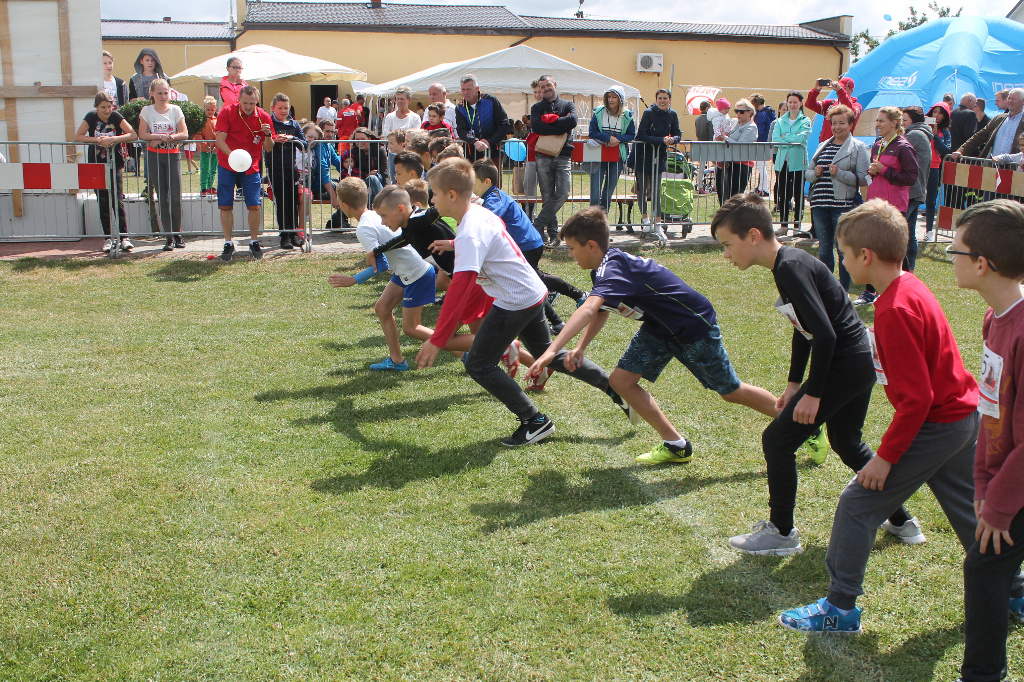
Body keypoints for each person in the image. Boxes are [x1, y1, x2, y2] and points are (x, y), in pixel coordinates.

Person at [777, 198, 981, 634]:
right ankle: (1016, 590)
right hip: (963, 418)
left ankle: (840, 608)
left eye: (845, 255)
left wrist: (886, 456)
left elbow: (919, 399)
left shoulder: (894, 309)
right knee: (966, 509)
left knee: (856, 505)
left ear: (865, 257)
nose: (844, 263)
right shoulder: (909, 287)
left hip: (940, 422)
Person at [711, 193, 917, 556]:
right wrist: (794, 384)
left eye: (728, 245)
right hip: (857, 362)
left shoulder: (790, 266)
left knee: (777, 440)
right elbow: (803, 326)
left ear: (753, 236)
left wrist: (814, 392)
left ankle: (781, 532)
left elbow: (825, 334)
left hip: (845, 363)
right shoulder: (786, 264)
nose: (725, 255)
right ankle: (901, 520)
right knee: (847, 442)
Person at [526, 207, 780, 463]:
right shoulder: (604, 269)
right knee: (621, 381)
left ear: (591, 245)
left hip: (692, 326)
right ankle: (676, 444)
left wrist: (551, 350)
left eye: (571, 248)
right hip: (659, 328)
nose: (570, 255)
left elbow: (590, 308)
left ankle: (796, 422)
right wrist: (580, 347)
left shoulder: (612, 268)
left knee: (730, 391)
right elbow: (602, 308)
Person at [415, 158, 636, 447]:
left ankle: (535, 421)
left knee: (480, 364)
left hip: (515, 301)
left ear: (452, 195)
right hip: (531, 293)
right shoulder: (478, 213)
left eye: (434, 192)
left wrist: (439, 337)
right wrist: (455, 244)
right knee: (548, 353)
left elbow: (459, 288)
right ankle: (615, 388)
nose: (431, 199)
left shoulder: (470, 230)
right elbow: (489, 239)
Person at [948, 200, 1024, 682]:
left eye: (955, 250)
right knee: (986, 568)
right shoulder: (993, 318)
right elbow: (991, 410)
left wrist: (997, 505)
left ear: (981, 264)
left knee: (984, 568)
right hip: (1004, 479)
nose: (950, 257)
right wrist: (980, 483)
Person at [472, 159, 588, 343]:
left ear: (486, 182)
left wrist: (471, 209)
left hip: (527, 245)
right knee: (532, 282)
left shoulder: (494, 197)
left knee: (532, 282)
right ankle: (561, 315)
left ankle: (577, 298)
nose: (470, 185)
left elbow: (489, 217)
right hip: (525, 244)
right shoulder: (488, 197)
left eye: (473, 181)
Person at [327, 180, 434, 371]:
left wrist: (353, 280)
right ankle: (397, 361)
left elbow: (382, 264)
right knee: (382, 308)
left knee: (411, 328)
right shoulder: (375, 215)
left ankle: (463, 350)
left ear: (345, 205)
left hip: (416, 273)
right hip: (407, 270)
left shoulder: (364, 228)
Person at [805, 105, 868, 292]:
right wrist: (814, 174)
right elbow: (807, 174)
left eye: (842, 123)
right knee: (824, 248)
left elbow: (864, 178)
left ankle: (844, 290)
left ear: (850, 124)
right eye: (834, 123)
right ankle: (826, 289)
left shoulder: (858, 147)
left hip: (843, 204)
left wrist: (840, 173)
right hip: (819, 204)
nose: (837, 127)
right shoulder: (822, 145)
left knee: (843, 249)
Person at [215, 84, 274, 261]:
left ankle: (254, 241)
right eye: (245, 102)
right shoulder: (227, 111)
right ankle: (228, 242)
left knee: (254, 204)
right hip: (227, 164)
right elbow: (220, 140)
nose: (248, 106)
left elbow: (269, 148)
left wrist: (269, 134)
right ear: (239, 100)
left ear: (257, 102)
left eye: (252, 103)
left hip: (251, 166)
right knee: (226, 204)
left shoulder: (263, 117)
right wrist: (234, 156)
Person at [74, 91, 137, 252]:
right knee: (102, 201)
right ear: (96, 107)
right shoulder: (90, 117)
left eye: (109, 106)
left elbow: (133, 134)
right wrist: (98, 140)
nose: (107, 110)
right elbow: (79, 136)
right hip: (96, 165)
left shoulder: (116, 116)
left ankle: (124, 237)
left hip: (114, 164)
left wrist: (114, 139)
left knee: (118, 200)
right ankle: (108, 238)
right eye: (103, 107)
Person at [138, 79, 187, 251]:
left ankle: (178, 233)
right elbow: (142, 134)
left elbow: (184, 133)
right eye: (159, 93)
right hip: (154, 157)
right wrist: (157, 138)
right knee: (163, 198)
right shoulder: (147, 110)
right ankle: (168, 237)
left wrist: (172, 137)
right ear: (151, 93)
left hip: (173, 155)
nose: (163, 96)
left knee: (175, 197)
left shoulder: (175, 109)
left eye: (166, 92)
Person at [630, 88, 681, 244]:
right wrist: (661, 140)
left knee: (657, 190)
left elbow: (677, 133)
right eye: (660, 98)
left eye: (665, 98)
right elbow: (641, 134)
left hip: (659, 157)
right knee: (642, 189)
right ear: (656, 99)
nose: (662, 100)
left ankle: (658, 223)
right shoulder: (649, 113)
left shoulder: (672, 115)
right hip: (643, 155)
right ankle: (645, 219)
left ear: (670, 100)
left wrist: (673, 140)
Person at [531, 75, 577, 246]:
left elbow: (572, 121)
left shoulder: (568, 104)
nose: (546, 89)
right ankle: (553, 236)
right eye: (542, 87)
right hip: (543, 154)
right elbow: (537, 126)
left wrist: (550, 122)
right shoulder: (537, 107)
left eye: (548, 85)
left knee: (563, 192)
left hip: (563, 155)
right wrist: (560, 124)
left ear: (555, 85)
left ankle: (537, 224)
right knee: (547, 196)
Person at [265, 93, 307, 250]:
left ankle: (294, 233)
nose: (283, 111)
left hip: (292, 167)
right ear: (273, 108)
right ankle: (284, 236)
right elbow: (264, 140)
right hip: (275, 167)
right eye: (280, 108)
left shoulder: (294, 124)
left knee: (293, 201)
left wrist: (291, 139)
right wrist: (274, 138)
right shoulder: (269, 123)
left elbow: (305, 144)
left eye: (286, 108)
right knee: (282, 202)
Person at [587, 85, 635, 213]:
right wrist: (608, 138)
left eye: (614, 97)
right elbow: (592, 132)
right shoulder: (598, 112)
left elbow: (631, 134)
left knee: (607, 193)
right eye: (609, 97)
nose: (611, 100)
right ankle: (592, 221)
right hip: (598, 154)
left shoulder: (627, 115)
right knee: (595, 193)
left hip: (617, 156)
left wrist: (617, 139)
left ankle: (603, 221)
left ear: (620, 99)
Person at [770, 92, 811, 236]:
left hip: (799, 163)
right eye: (790, 102)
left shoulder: (805, 120)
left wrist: (785, 137)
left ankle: (797, 225)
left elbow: (802, 138)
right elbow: (775, 139)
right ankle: (784, 225)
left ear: (800, 103)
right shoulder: (780, 121)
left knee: (798, 194)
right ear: (786, 103)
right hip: (782, 163)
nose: (792, 104)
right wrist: (790, 139)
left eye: (795, 102)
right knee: (783, 194)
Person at [952, 88, 1024, 161]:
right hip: (993, 167)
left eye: (1014, 99)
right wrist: (961, 151)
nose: (1010, 101)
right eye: (1009, 98)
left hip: (1015, 169)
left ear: (1022, 101)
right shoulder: (998, 119)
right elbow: (979, 137)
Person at [901, 106, 932, 270]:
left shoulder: (914, 135)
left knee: (899, 231)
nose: (902, 123)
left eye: (905, 120)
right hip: (915, 189)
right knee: (909, 233)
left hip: (911, 190)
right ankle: (909, 269)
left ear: (914, 120)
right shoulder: (922, 134)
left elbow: (896, 150)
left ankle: (905, 269)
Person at [455, 74, 511, 163]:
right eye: (463, 89)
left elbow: (504, 124)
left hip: (493, 152)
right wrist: (474, 141)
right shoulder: (460, 107)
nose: (465, 92)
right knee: (473, 177)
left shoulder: (491, 101)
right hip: (472, 154)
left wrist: (489, 141)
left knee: (494, 177)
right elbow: (461, 130)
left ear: (477, 89)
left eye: (468, 89)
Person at [718, 98, 759, 204]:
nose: (738, 114)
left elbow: (740, 146)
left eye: (741, 111)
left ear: (750, 112)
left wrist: (725, 138)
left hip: (741, 164)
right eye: (736, 111)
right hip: (726, 162)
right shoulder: (734, 122)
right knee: (723, 196)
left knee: (735, 197)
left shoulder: (751, 127)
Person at [924, 102, 952, 242]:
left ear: (945, 116)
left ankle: (929, 231)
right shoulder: (923, 128)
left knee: (931, 200)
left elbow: (946, 151)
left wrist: (935, 136)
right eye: (935, 111)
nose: (936, 115)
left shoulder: (945, 133)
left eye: (940, 113)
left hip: (934, 168)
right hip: (920, 167)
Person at [381, 86, 421, 181]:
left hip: (409, 154)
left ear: (409, 100)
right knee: (395, 180)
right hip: (393, 154)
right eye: (398, 99)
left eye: (402, 99)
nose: (400, 101)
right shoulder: (390, 116)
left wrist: (395, 136)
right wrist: (404, 135)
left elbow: (415, 135)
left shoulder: (415, 117)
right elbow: (385, 133)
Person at [806, 77, 862, 143]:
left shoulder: (857, 106)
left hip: (842, 146)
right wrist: (816, 90)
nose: (839, 90)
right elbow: (810, 104)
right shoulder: (831, 103)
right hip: (825, 145)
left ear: (851, 90)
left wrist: (840, 91)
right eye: (838, 87)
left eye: (843, 88)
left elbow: (850, 111)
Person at [348, 127, 388, 207]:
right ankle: (384, 205)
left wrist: (386, 188)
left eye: (363, 139)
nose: (360, 142)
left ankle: (373, 212)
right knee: (370, 182)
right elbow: (354, 172)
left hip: (378, 181)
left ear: (369, 138)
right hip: (362, 182)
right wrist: (366, 175)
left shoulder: (380, 149)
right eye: (357, 139)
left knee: (372, 181)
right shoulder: (353, 152)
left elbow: (384, 171)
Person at [752, 94, 776, 197]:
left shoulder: (761, 115)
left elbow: (760, 130)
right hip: (768, 142)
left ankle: (763, 188)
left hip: (762, 142)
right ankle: (761, 187)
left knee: (761, 166)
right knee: (762, 166)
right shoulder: (769, 112)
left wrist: (756, 140)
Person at [196, 96, 218, 197]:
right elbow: (197, 135)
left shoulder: (217, 120)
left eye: (212, 109)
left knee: (213, 168)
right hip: (205, 149)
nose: (210, 111)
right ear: (204, 108)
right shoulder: (201, 121)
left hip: (215, 149)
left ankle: (210, 186)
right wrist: (205, 146)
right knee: (205, 168)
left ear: (215, 109)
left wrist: (217, 146)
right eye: (208, 109)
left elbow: (219, 134)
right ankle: (203, 187)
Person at [694, 100, 714, 193]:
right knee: (716, 165)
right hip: (708, 144)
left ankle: (700, 187)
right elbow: (711, 133)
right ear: (707, 108)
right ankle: (714, 185)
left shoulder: (697, 119)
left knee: (701, 167)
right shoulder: (709, 119)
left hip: (700, 143)